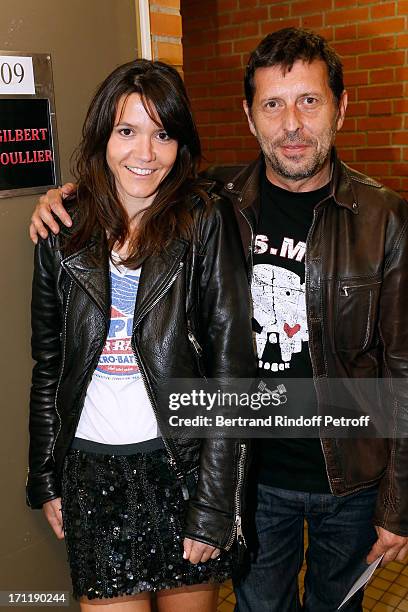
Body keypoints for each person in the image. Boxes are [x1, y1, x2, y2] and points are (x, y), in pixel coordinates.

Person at [29, 28, 408, 612]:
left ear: (341, 106)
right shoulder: (214, 200)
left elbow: (404, 370)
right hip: (252, 476)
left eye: (309, 101)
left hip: (351, 479)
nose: (292, 125)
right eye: (272, 105)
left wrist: (398, 502)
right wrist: (62, 199)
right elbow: (135, 177)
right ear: (250, 117)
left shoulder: (387, 220)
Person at [27, 58, 257, 612]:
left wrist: (214, 504)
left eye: (163, 134)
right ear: (104, 134)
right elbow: (49, 364)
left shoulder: (206, 220)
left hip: (179, 469)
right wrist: (45, 476)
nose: (145, 154)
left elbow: (232, 373)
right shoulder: (61, 230)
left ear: (181, 143)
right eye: (127, 131)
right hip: (91, 473)